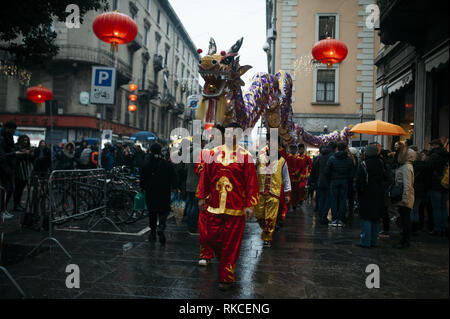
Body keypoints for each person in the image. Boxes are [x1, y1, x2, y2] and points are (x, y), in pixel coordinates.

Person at [196, 122, 259, 291]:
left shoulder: (246, 157)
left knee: (231, 244)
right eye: (229, 133)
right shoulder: (212, 154)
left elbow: (251, 183)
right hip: (214, 205)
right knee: (211, 237)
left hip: (235, 208)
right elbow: (205, 177)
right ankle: (222, 258)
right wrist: (202, 197)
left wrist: (250, 205)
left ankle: (226, 277)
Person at [255, 135, 291, 248]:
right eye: (270, 141)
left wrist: (287, 193)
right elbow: (254, 174)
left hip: (274, 193)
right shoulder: (260, 157)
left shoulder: (282, 161)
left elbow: (286, 178)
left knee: (271, 217)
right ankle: (265, 230)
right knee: (259, 216)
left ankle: (267, 238)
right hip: (260, 192)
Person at [140, 143, 177, 244]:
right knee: (164, 211)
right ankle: (161, 226)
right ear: (161, 151)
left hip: (151, 192)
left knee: (152, 212)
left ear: (150, 151)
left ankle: (152, 232)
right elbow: (173, 177)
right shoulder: (167, 164)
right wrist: (174, 187)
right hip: (164, 192)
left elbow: (142, 179)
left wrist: (143, 187)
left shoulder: (146, 164)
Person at [355, 145, 385, 248]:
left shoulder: (364, 164)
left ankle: (365, 241)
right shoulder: (381, 163)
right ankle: (374, 241)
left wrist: (359, 191)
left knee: (367, 217)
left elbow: (360, 181)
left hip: (367, 193)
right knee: (376, 218)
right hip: (379, 192)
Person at [325, 141, 354, 227]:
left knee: (333, 200)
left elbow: (327, 171)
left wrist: (330, 178)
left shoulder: (332, 158)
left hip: (334, 181)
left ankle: (334, 219)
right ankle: (341, 219)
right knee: (342, 200)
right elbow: (352, 172)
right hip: (344, 182)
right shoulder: (349, 159)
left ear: (337, 148)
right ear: (345, 148)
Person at [393, 146, 416, 249]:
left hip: (405, 198)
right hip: (404, 197)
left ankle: (405, 241)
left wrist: (405, 199)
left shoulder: (407, 167)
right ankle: (404, 240)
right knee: (404, 219)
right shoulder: (406, 166)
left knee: (405, 220)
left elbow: (407, 185)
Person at [426, 139, 449, 237]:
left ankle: (437, 228)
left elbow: (428, 170)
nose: (430, 147)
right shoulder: (447, 155)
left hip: (435, 185)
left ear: (435, 145)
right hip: (445, 184)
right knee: (444, 207)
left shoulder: (433, 156)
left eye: (431, 145)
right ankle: (444, 228)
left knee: (436, 208)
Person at [0, 121, 22, 219]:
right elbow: (2, 155)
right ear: (7, 129)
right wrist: (14, 154)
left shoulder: (9, 137)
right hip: (4, 167)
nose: (14, 132)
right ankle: (2, 211)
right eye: (13, 130)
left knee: (9, 189)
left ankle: (3, 210)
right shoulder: (2, 138)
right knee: (6, 189)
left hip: (9, 167)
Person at [315, 141, 335, 225]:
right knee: (328, 199)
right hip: (328, 181)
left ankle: (320, 215)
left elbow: (315, 170)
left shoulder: (319, 157)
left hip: (320, 180)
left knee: (321, 198)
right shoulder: (332, 157)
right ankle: (323, 216)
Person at [13, 135, 34, 213]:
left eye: (27, 140)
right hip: (18, 171)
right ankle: (16, 205)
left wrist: (31, 155)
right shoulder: (16, 147)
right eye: (24, 140)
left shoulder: (28, 148)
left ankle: (18, 204)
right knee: (17, 189)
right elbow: (15, 159)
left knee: (21, 189)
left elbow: (31, 160)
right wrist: (23, 153)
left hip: (26, 171)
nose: (25, 142)